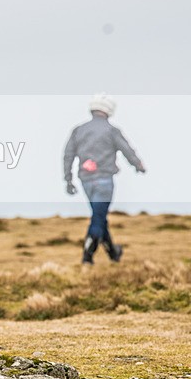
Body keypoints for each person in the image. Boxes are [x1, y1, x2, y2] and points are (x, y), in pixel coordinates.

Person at [64, 94, 145, 264]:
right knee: (98, 217)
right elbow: (127, 150)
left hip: (85, 180)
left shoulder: (78, 130)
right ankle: (88, 253)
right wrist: (138, 165)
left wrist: (68, 179)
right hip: (104, 180)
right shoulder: (111, 131)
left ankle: (114, 253)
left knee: (99, 216)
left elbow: (68, 155)